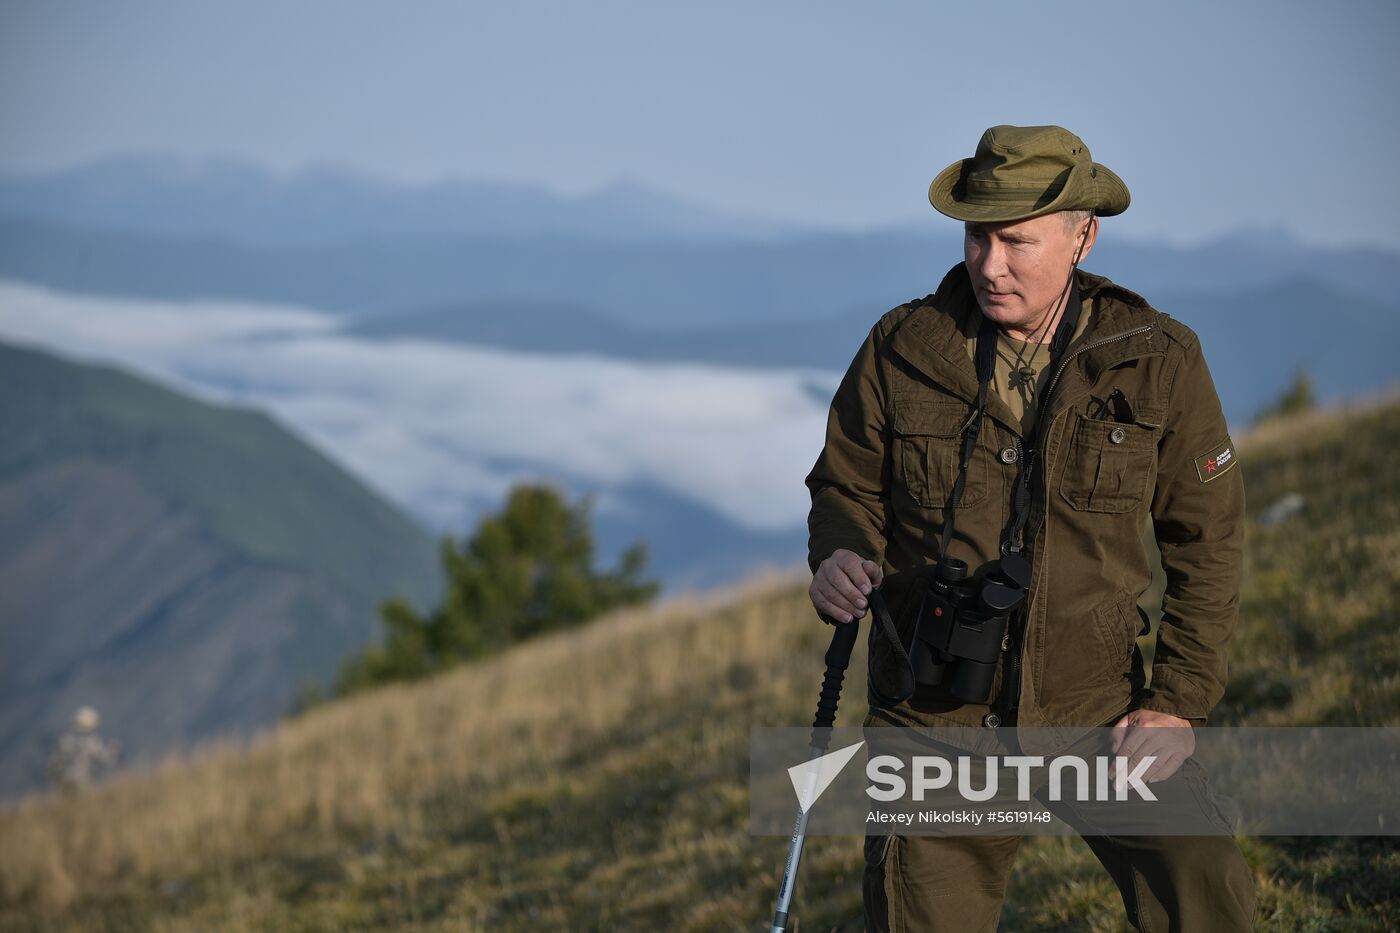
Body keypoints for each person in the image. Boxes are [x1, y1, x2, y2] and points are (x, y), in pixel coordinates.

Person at [803, 125, 1255, 930]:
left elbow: (1208, 542)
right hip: (933, 717)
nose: (990, 264)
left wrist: (1177, 701)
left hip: (1098, 705)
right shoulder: (902, 346)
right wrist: (840, 551)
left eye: (1017, 240)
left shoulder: (1158, 361)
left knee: (1204, 885)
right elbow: (846, 482)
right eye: (978, 236)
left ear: (1085, 234)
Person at [48, 705, 121, 792]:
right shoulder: (91, 741)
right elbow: (104, 759)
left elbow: (54, 762)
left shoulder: (65, 739)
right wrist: (113, 751)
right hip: (81, 781)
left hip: (63, 781)